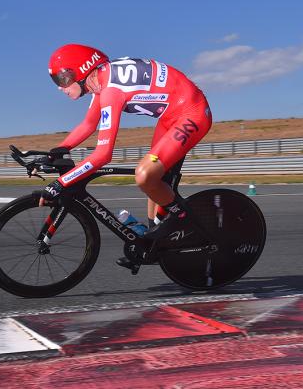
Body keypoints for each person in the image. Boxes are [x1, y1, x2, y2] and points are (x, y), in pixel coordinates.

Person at [39, 44, 212, 271]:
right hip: (171, 116)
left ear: (82, 69)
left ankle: (184, 219)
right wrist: (58, 150)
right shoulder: (101, 83)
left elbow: (103, 154)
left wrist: (61, 183)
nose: (61, 88)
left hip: (192, 113)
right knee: (155, 179)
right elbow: (89, 124)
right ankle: (152, 241)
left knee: (145, 175)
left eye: (62, 79)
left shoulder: (110, 90)